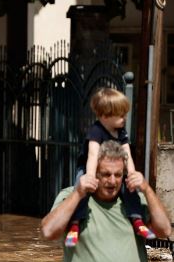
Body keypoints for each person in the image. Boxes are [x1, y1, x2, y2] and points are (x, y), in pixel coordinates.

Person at [40, 140, 171, 262]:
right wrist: (78, 193)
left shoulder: (135, 201)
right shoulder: (71, 197)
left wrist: (146, 188)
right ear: (93, 173)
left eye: (118, 175)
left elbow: (164, 230)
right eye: (106, 174)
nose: (112, 181)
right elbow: (48, 231)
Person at [65, 87, 155, 247]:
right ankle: (75, 224)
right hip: (89, 168)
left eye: (125, 114)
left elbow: (127, 153)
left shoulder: (121, 131)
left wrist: (132, 173)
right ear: (105, 116)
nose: (124, 118)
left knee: (130, 187)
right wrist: (90, 176)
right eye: (120, 115)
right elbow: (92, 155)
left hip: (113, 169)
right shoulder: (96, 131)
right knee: (80, 189)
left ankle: (137, 220)